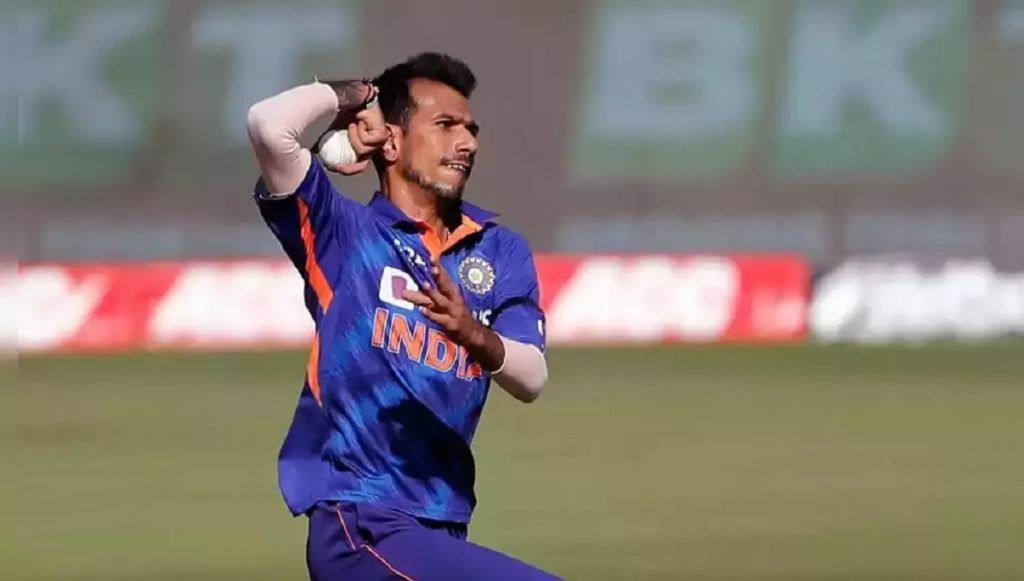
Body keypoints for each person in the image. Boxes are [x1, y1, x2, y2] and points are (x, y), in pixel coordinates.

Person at [246, 52, 557, 580]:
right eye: (445, 125)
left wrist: (474, 335)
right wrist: (362, 96)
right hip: (361, 523)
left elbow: (531, 378)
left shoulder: (498, 251)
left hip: (441, 526)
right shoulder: (342, 235)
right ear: (390, 141)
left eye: (470, 129)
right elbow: (268, 125)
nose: (467, 143)